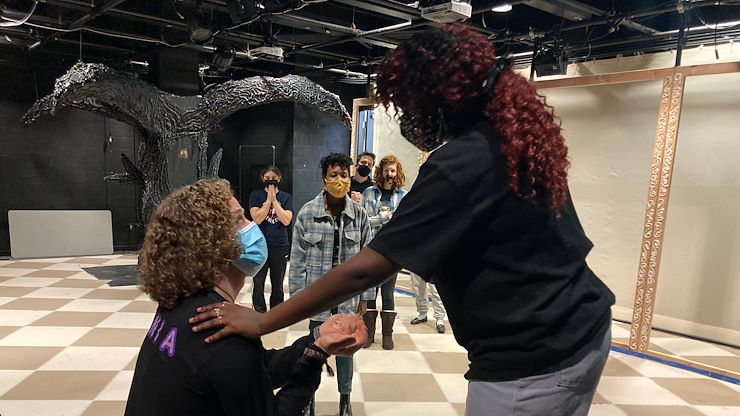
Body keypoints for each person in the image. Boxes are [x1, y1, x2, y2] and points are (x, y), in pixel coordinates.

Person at [190, 24, 615, 416]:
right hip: (582, 329)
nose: (408, 117)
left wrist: (264, 320)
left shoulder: (462, 162)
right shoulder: (509, 140)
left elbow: (368, 268)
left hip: (531, 356)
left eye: (411, 102)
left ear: (443, 96)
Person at [125, 179, 366, 416]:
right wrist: (315, 358)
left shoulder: (179, 306)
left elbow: (255, 369)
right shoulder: (220, 335)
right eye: (240, 219)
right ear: (214, 245)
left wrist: (315, 340)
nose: (253, 226)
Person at [289, 153, 375, 416]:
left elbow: (369, 260)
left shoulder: (359, 215)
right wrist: (298, 299)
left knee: (346, 351)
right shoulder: (307, 213)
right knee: (314, 351)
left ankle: (345, 400)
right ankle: (308, 401)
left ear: (350, 178)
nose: (340, 180)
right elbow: (297, 260)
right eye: (333, 175)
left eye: (344, 175)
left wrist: (367, 297)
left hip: (347, 299)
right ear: (324, 179)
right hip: (317, 298)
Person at [360, 155, 408, 349]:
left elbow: (404, 224)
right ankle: (368, 334)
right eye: (387, 170)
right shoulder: (368, 193)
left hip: (393, 252)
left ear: (398, 173)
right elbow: (363, 221)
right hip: (371, 249)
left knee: (388, 294)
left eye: (393, 171)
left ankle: (387, 334)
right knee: (370, 293)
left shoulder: (404, 196)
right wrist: (382, 217)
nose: (389, 174)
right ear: (380, 171)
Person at [248, 166, 293, 313]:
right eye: (267, 179)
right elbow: (257, 219)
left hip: (280, 245)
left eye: (274, 178)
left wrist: (275, 202)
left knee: (278, 283)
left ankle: (276, 312)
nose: (271, 181)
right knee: (258, 282)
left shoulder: (286, 197)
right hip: (259, 245)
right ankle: (259, 312)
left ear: (279, 179)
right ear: (262, 179)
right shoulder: (255, 195)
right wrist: (268, 201)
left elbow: (286, 220)